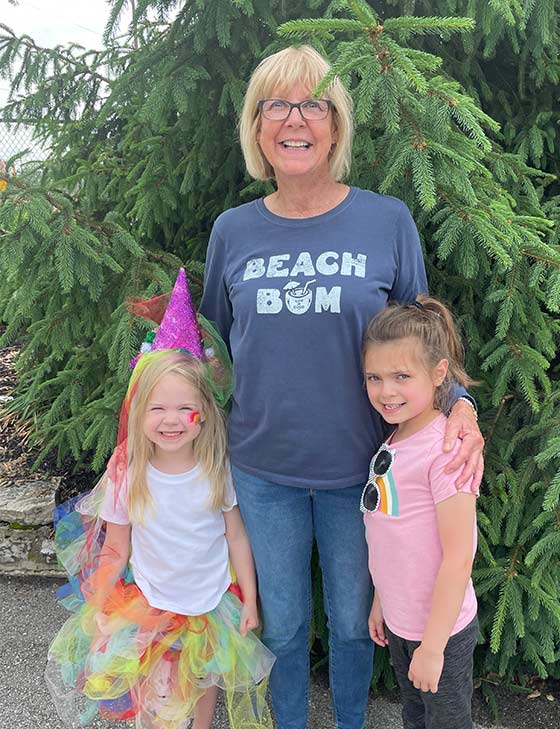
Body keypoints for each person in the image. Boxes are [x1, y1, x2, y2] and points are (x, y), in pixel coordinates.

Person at [197, 45, 485, 729]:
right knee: (286, 627)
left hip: (366, 473)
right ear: (256, 124)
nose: (295, 119)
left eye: (314, 104)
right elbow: (208, 357)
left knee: (357, 629)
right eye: (278, 104)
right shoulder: (232, 231)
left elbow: (425, 341)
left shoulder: (385, 221)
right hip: (263, 471)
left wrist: (463, 405)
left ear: (336, 124)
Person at [47, 270, 273, 729]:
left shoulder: (217, 469)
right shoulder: (129, 476)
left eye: (184, 408)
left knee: (204, 682)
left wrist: (249, 599)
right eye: (158, 408)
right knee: (155, 702)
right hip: (149, 605)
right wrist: (103, 606)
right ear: (139, 412)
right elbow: (116, 545)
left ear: (205, 414)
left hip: (210, 604)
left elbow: (236, 536)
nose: (172, 421)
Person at [360, 295, 481, 729]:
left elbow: (458, 556)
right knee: (415, 718)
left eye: (401, 376)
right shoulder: (393, 442)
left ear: (438, 374)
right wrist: (381, 601)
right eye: (374, 377)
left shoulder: (446, 451)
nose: (386, 391)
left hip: (441, 632)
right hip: (401, 623)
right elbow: (391, 536)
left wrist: (433, 648)